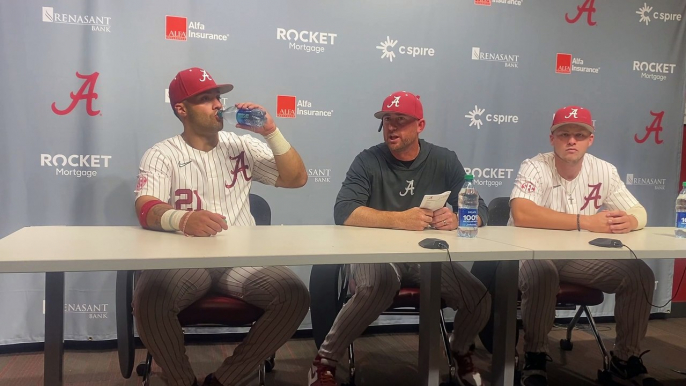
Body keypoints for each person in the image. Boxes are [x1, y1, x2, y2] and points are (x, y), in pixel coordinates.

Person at [133, 67, 310, 386]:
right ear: (181, 109)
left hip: (241, 261)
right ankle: (181, 380)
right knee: (149, 298)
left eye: (217, 96)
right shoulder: (162, 153)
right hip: (185, 262)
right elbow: (145, 207)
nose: (217, 104)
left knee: (293, 294)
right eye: (205, 98)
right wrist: (182, 218)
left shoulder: (241, 145)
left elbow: (296, 178)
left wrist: (271, 132)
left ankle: (226, 379)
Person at [308, 91, 491, 386]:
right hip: (377, 255)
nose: (391, 127)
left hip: (427, 257)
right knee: (378, 284)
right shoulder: (368, 160)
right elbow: (344, 211)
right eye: (387, 120)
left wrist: (460, 218)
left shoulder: (444, 159)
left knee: (479, 297)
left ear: (420, 125)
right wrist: (398, 220)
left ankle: (460, 349)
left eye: (401, 121)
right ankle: (325, 360)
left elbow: (479, 206)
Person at [510, 106, 660, 386]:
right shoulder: (535, 166)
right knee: (543, 273)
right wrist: (586, 221)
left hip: (577, 260)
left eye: (580, 135)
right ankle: (535, 355)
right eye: (564, 134)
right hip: (530, 255)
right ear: (551, 138)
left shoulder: (603, 169)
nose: (571, 140)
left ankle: (625, 358)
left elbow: (639, 211)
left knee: (639, 274)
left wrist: (630, 220)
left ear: (590, 139)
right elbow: (522, 214)